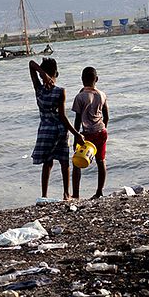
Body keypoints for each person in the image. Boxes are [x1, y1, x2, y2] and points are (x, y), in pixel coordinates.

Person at [29, 58, 85, 200]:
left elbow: (31, 64)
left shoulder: (38, 90)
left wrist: (42, 73)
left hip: (45, 132)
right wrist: (76, 134)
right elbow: (63, 117)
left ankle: (44, 195)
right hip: (60, 131)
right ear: (56, 73)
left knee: (47, 164)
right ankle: (66, 194)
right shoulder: (60, 91)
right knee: (64, 163)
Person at [71, 66, 109, 198]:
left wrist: (76, 136)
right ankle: (99, 191)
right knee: (101, 161)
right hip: (101, 131)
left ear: (82, 80)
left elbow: (77, 119)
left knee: (77, 162)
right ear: (96, 79)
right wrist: (104, 129)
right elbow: (106, 115)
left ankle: (76, 194)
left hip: (86, 134)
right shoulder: (102, 95)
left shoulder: (80, 97)